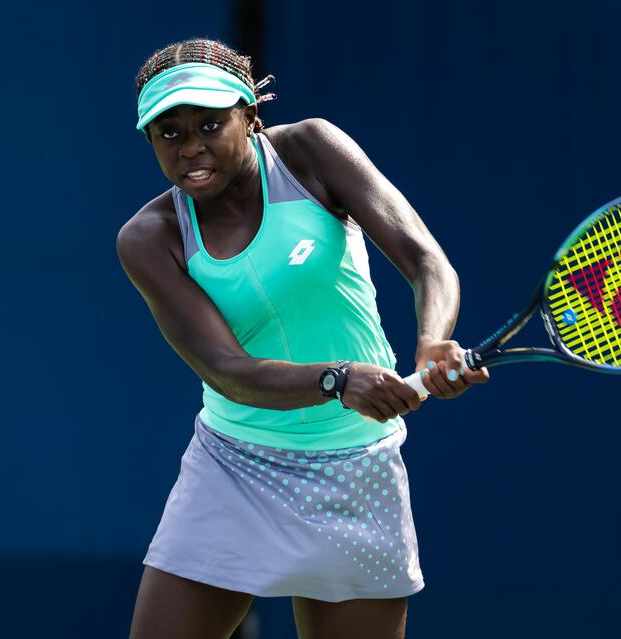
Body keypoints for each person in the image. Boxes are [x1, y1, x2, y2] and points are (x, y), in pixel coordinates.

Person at [117, 38, 489, 639]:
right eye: (169, 133)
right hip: (233, 466)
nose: (191, 148)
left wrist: (431, 342)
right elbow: (228, 370)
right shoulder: (148, 238)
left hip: (357, 465)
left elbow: (426, 261)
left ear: (250, 116)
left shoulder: (311, 151)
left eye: (210, 124)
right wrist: (338, 379)